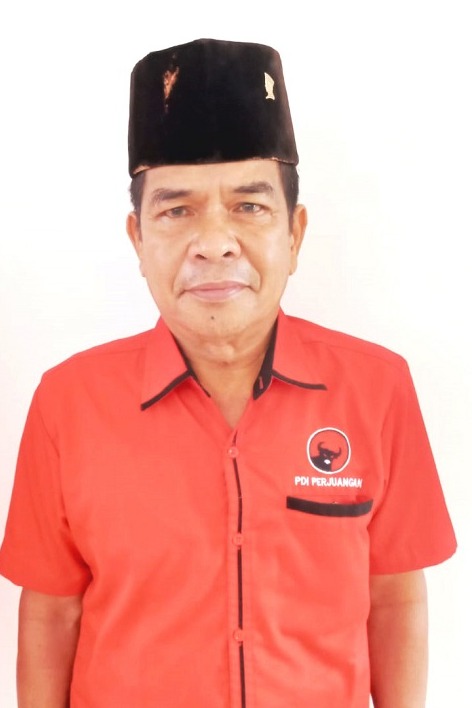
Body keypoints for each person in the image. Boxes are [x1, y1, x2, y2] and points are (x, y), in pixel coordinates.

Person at [0, 38, 456, 708]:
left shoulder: (377, 388)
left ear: (294, 234)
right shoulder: (68, 402)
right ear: (138, 238)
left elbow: (394, 597)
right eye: (177, 210)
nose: (214, 243)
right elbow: (50, 611)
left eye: (249, 205)